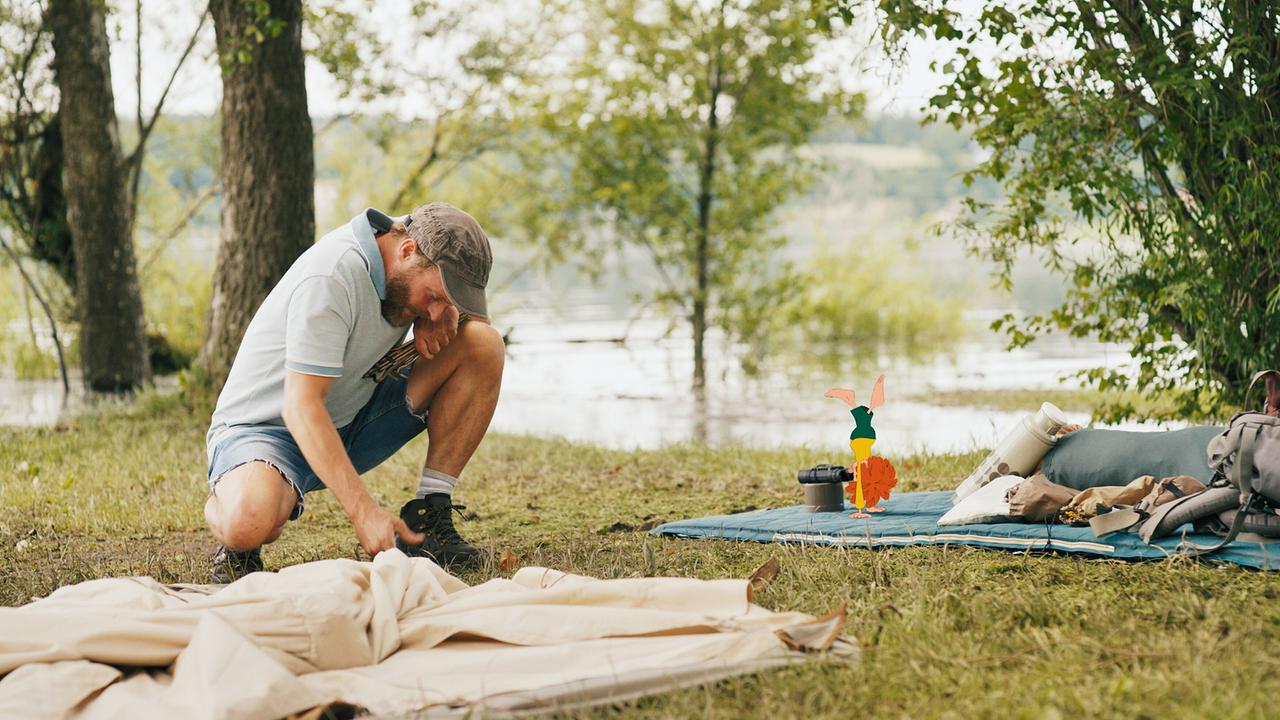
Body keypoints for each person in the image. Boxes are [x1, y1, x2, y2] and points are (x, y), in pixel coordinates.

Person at [202, 203, 505, 583]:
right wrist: (364, 512)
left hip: (355, 415)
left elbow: (458, 304)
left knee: (483, 344)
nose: (436, 310)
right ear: (407, 252)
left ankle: (430, 516)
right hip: (269, 431)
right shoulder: (332, 277)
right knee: (248, 524)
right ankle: (233, 503)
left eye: (449, 299)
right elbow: (301, 407)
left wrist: (447, 314)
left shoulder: (410, 246)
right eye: (436, 296)